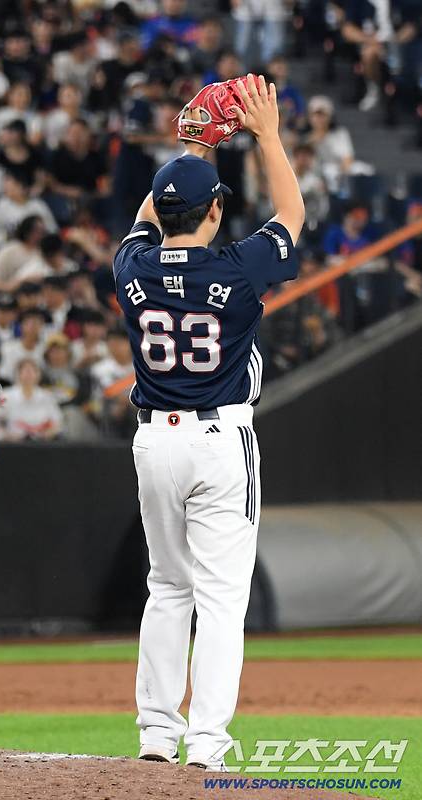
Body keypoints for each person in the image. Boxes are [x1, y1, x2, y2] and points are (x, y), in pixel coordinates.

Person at [114, 75, 303, 768]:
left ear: (161, 213)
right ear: (216, 212)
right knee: (222, 599)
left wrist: (190, 152)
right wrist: (267, 136)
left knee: (167, 587)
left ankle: (157, 735)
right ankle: (206, 743)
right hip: (219, 438)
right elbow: (291, 215)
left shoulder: (130, 267)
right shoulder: (240, 269)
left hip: (152, 443)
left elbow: (150, 220)